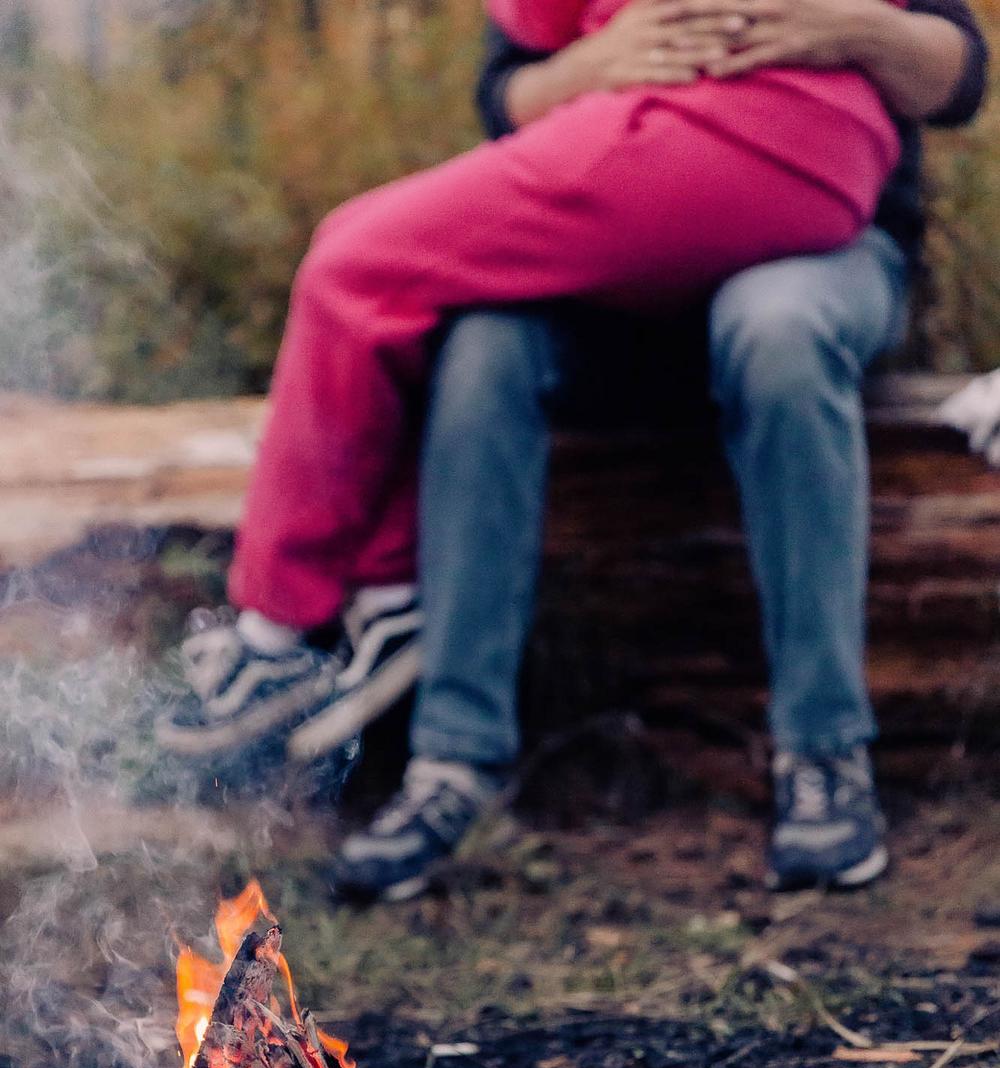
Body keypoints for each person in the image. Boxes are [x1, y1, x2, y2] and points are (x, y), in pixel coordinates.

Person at [158, 0, 988, 896]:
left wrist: (848, 28)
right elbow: (505, 87)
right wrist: (589, 69)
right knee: (483, 348)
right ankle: (448, 751)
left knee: (775, 333)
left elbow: (962, 74)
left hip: (824, 239)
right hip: (626, 225)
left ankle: (825, 753)